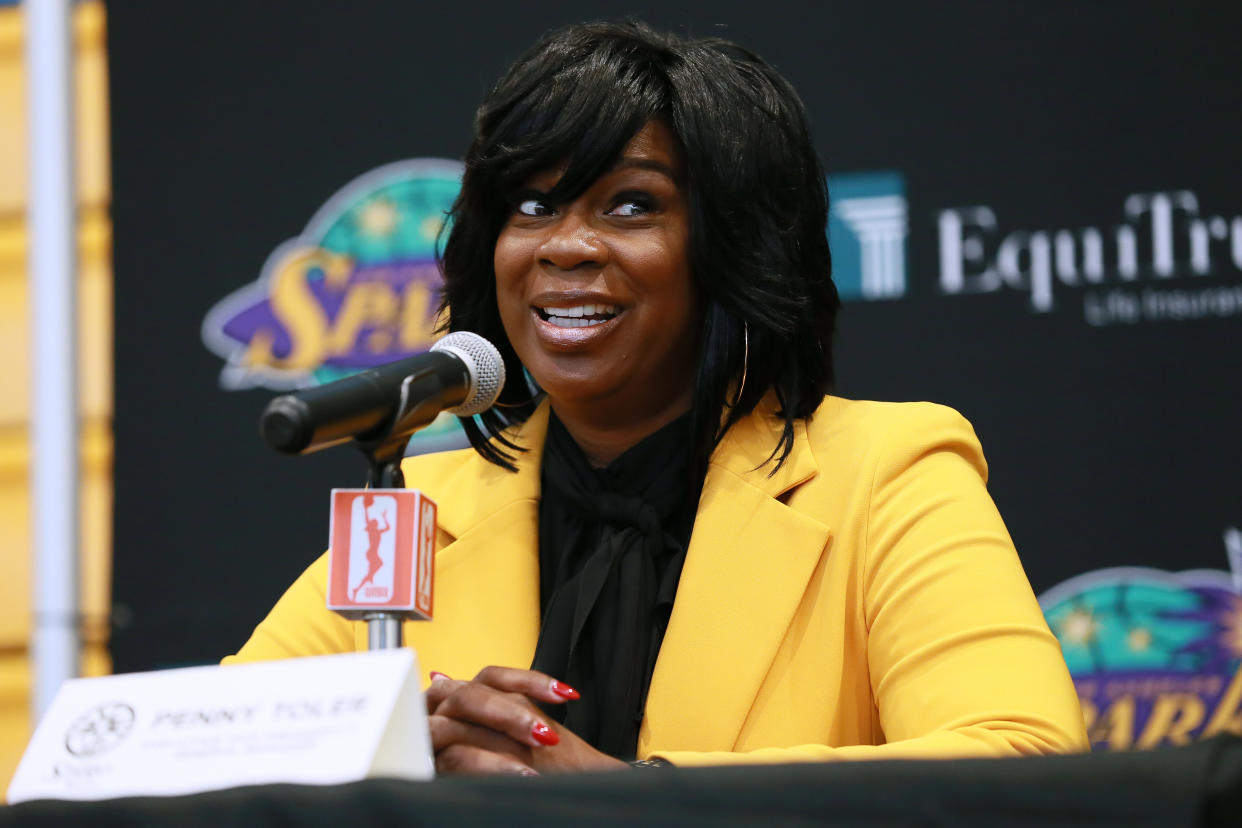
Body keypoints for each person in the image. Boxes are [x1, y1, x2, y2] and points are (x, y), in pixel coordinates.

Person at [225, 20, 1088, 774]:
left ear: (734, 247)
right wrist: (389, 759)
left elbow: (1022, 755)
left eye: (631, 205)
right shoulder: (419, 504)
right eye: (532, 205)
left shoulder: (887, 475)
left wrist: (623, 796)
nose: (563, 246)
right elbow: (213, 751)